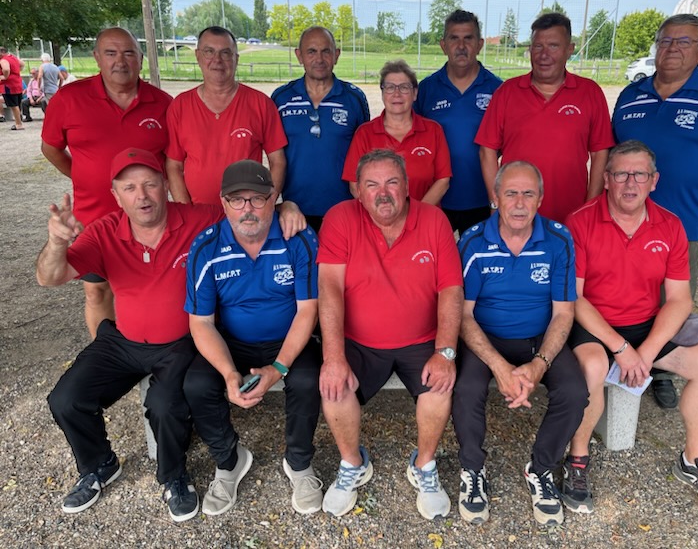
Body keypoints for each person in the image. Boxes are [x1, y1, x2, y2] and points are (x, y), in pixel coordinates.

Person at [36, 149, 223, 522]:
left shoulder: (198, 218)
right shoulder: (104, 231)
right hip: (123, 341)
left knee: (165, 405)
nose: (142, 196)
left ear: (165, 186)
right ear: (116, 195)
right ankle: (99, 464)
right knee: (66, 399)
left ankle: (174, 477)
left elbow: (249, 215)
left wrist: (285, 208)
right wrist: (57, 242)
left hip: (180, 342)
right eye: (130, 188)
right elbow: (48, 277)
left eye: (150, 184)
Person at [562, 140, 698, 516]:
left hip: (648, 323)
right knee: (592, 367)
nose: (630, 183)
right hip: (595, 324)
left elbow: (679, 300)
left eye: (639, 174)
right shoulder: (579, 222)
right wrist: (621, 349)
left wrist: (646, 352)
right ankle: (577, 459)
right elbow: (574, 298)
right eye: (621, 174)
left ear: (654, 181)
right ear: (606, 179)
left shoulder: (670, 225)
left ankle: (694, 460)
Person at [317, 149, 463, 520]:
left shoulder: (434, 220)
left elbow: (451, 290)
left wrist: (445, 352)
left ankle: (424, 465)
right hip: (360, 342)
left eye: (392, 182)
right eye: (372, 185)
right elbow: (329, 288)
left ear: (408, 186)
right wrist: (333, 357)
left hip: (421, 340)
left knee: (440, 387)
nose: (383, 193)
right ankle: (352, 463)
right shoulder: (340, 218)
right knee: (334, 386)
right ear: (358, 191)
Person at [612, 13, 698, 409]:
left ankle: (662, 371)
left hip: (682, 223)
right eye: (666, 41)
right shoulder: (631, 95)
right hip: (624, 221)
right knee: (623, 292)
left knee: (673, 299)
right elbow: (611, 153)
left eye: (684, 41)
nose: (672, 48)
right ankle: (618, 358)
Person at [183, 160, 322, 516]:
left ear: (273, 198)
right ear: (223, 202)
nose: (248, 209)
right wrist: (230, 373)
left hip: (288, 338)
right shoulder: (206, 247)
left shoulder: (299, 239)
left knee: (307, 380)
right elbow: (201, 323)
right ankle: (229, 461)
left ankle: (299, 463)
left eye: (257, 199)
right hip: (232, 342)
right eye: (237, 199)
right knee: (197, 384)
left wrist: (279, 367)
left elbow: (308, 311)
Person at [453, 161, 587, 526]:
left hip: (539, 337)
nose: (519, 203)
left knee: (575, 392)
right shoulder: (473, 241)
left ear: (540, 199)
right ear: (495, 198)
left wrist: (539, 364)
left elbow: (564, 312)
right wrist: (500, 367)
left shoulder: (558, 240)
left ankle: (541, 469)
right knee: (466, 390)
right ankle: (472, 469)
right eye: (510, 193)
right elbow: (462, 315)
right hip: (485, 336)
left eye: (528, 194)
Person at [41, 27, 172, 339]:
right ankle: (106, 351)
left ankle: (147, 345)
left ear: (140, 59)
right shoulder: (69, 99)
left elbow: (173, 161)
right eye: (111, 53)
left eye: (128, 53)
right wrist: (83, 176)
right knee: (97, 290)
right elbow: (51, 148)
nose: (120, 61)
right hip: (93, 216)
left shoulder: (163, 103)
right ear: (97, 57)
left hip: (148, 217)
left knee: (147, 287)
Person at [476, 12, 613, 224]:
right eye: (538, 46)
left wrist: (590, 208)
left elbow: (600, 154)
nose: (543, 54)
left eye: (553, 46)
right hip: (516, 215)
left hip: (570, 215)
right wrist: (496, 202)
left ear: (570, 49)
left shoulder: (590, 92)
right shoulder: (507, 92)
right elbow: (487, 150)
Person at [166, 26, 287, 206]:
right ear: (198, 56)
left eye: (225, 53)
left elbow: (278, 161)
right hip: (198, 214)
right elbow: (173, 166)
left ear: (236, 59)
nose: (217, 60)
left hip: (246, 214)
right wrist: (187, 211)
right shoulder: (180, 106)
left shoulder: (260, 104)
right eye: (209, 52)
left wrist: (265, 204)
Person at [271, 26, 370, 232]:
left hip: (345, 210)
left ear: (337, 55)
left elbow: (365, 156)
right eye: (311, 51)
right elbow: (274, 157)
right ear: (299, 56)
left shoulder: (354, 98)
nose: (319, 58)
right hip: (294, 213)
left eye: (326, 51)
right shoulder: (281, 99)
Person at [415, 10, 503, 234]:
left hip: (483, 199)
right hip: (436, 198)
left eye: (468, 38)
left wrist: (497, 200)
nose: (461, 46)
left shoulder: (498, 89)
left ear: (480, 44)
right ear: (443, 45)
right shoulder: (426, 89)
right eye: (454, 38)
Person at [342, 60, 452, 205]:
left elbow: (443, 181)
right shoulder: (364, 133)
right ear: (382, 93)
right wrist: (382, 213)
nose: (397, 94)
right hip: (377, 217)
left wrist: (418, 214)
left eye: (404, 87)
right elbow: (354, 183)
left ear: (415, 93)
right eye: (390, 87)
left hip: (425, 215)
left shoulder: (433, 130)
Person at [0, 46, 25, 130]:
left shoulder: (3, 60)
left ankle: (18, 124)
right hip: (17, 83)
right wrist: (16, 71)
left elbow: (6, 69)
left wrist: (5, 76)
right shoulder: (13, 57)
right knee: (17, 103)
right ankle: (19, 120)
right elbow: (22, 64)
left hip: (8, 85)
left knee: (13, 105)